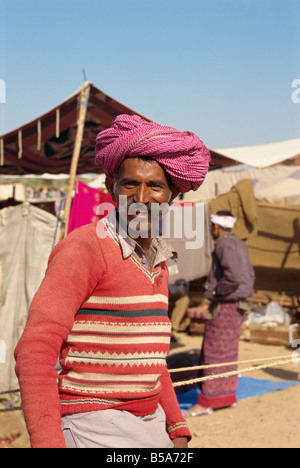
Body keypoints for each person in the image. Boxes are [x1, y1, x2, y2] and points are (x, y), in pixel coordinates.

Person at [14, 114, 210, 448]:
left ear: (173, 196)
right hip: (94, 427)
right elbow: (36, 349)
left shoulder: (159, 261)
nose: (142, 198)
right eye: (130, 184)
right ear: (111, 189)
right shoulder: (85, 248)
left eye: (155, 187)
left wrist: (177, 426)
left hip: (151, 426)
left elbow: (152, 360)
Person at [184, 210, 255, 417]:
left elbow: (233, 276)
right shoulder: (240, 244)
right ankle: (227, 397)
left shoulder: (223, 245)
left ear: (215, 226)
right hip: (237, 306)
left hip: (224, 305)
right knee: (228, 352)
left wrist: (215, 292)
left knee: (214, 352)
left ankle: (208, 400)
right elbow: (247, 275)